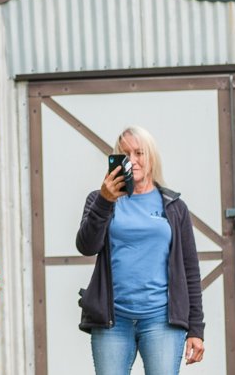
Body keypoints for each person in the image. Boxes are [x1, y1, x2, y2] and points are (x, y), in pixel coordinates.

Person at [76, 125, 206, 374]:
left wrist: (196, 329)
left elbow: (190, 269)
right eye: (125, 155)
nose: (132, 161)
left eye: (139, 153)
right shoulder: (99, 199)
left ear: (151, 157)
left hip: (161, 321)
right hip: (112, 320)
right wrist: (105, 200)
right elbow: (87, 246)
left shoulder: (174, 206)